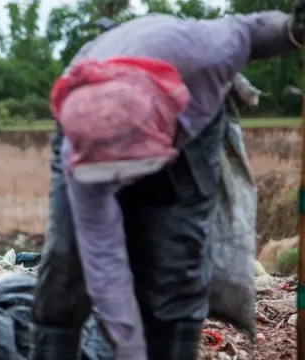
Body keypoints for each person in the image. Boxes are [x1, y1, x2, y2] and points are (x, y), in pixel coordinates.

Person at [29, 6, 305, 360]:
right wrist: (129, 351)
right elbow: (105, 262)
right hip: (95, 107)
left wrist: (291, 31)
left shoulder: (206, 51)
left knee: (177, 264)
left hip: (189, 121)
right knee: (68, 265)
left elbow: (251, 30)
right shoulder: (83, 146)